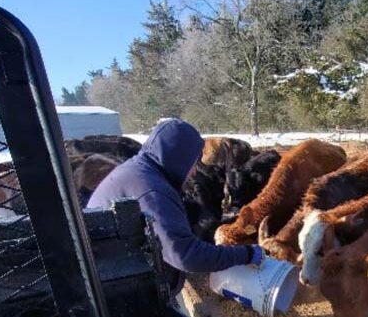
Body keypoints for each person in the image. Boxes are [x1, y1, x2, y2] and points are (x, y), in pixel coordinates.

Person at [88, 119, 262, 294]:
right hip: (119, 290)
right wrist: (246, 254)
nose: (194, 171)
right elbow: (186, 256)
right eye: (192, 163)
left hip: (112, 273)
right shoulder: (152, 190)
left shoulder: (138, 170)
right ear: (178, 157)